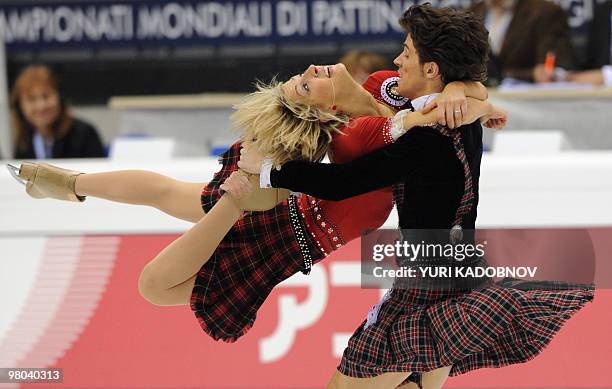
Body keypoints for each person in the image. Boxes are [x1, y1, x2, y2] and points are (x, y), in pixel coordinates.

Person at [9, 59, 503, 345]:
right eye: (309, 81)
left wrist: (470, 92)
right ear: (326, 106)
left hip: (291, 221)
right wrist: (476, 102)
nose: (311, 67)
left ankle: (72, 183)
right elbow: (429, 115)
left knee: (167, 205)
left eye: (307, 75)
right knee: (156, 276)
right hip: (289, 227)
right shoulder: (373, 124)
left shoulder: (380, 88)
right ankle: (225, 196)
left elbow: (448, 93)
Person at [238, 5, 594, 389]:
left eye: (407, 52)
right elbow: (467, 91)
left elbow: (343, 183)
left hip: (428, 285)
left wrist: (270, 170)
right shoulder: (458, 113)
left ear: (431, 70)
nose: (397, 59)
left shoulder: (428, 137)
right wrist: (470, 92)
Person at [10, 65, 106, 159]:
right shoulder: (23, 141)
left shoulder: (85, 134)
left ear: (60, 98)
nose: (41, 106)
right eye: (32, 99)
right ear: (20, 106)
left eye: (46, 96)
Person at [469, 0, 575, 84]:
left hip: (529, 100)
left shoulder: (544, 11)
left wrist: (537, 74)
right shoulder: (473, 11)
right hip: (482, 98)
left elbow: (546, 71)